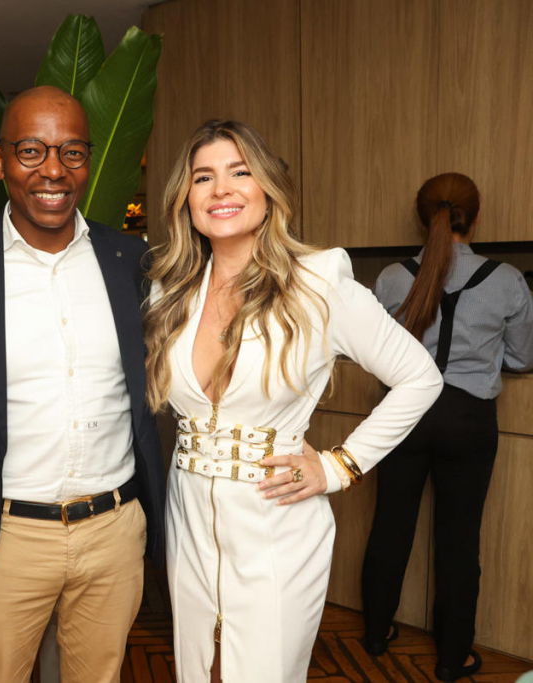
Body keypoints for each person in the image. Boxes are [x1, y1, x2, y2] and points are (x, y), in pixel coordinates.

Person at [143, 119, 444, 683]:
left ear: (268, 188)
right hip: (189, 521)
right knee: (198, 671)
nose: (221, 189)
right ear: (186, 198)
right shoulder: (171, 291)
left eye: (239, 172)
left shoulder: (317, 283)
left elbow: (420, 378)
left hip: (276, 525)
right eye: (203, 177)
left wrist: (338, 466)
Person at [0, 85, 166, 683]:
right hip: (4, 540)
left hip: (113, 531)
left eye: (72, 152)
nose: (53, 170)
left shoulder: (132, 262)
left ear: (88, 162)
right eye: (31, 150)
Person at [361, 172, 533, 681]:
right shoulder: (507, 280)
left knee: (390, 526)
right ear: (474, 219)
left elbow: (372, 353)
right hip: (467, 419)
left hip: (402, 415)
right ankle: (451, 659)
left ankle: (374, 636)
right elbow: (523, 358)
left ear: (422, 220)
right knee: (460, 540)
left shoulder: (391, 278)